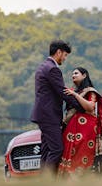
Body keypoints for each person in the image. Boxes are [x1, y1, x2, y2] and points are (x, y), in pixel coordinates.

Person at [30, 40, 77, 175]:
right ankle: (48, 180)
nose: (65, 58)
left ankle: (43, 184)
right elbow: (62, 92)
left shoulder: (42, 67)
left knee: (46, 150)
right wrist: (81, 105)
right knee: (57, 149)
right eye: (65, 55)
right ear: (59, 52)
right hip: (49, 116)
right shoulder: (53, 69)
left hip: (42, 115)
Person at [58, 67, 102, 177]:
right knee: (69, 155)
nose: (73, 75)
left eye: (76, 73)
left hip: (86, 131)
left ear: (84, 75)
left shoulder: (90, 91)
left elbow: (90, 107)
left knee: (82, 155)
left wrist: (75, 95)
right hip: (71, 129)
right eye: (72, 73)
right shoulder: (71, 91)